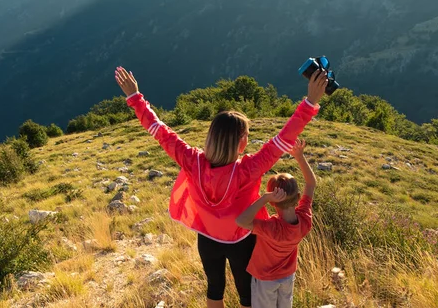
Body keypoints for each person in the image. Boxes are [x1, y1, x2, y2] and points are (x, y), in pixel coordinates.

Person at [114, 67, 327, 308]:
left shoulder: (191, 160)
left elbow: (159, 130)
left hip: (207, 239)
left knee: (215, 288)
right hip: (242, 240)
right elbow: (283, 139)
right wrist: (310, 102)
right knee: (246, 292)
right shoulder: (249, 169)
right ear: (242, 141)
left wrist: (135, 98)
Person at [235, 139, 316, 308]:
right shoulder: (304, 220)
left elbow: (241, 221)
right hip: (287, 277)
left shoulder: (270, 228)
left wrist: (263, 198)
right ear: (298, 196)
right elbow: (311, 183)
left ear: (273, 202)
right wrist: (300, 157)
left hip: (265, 280)